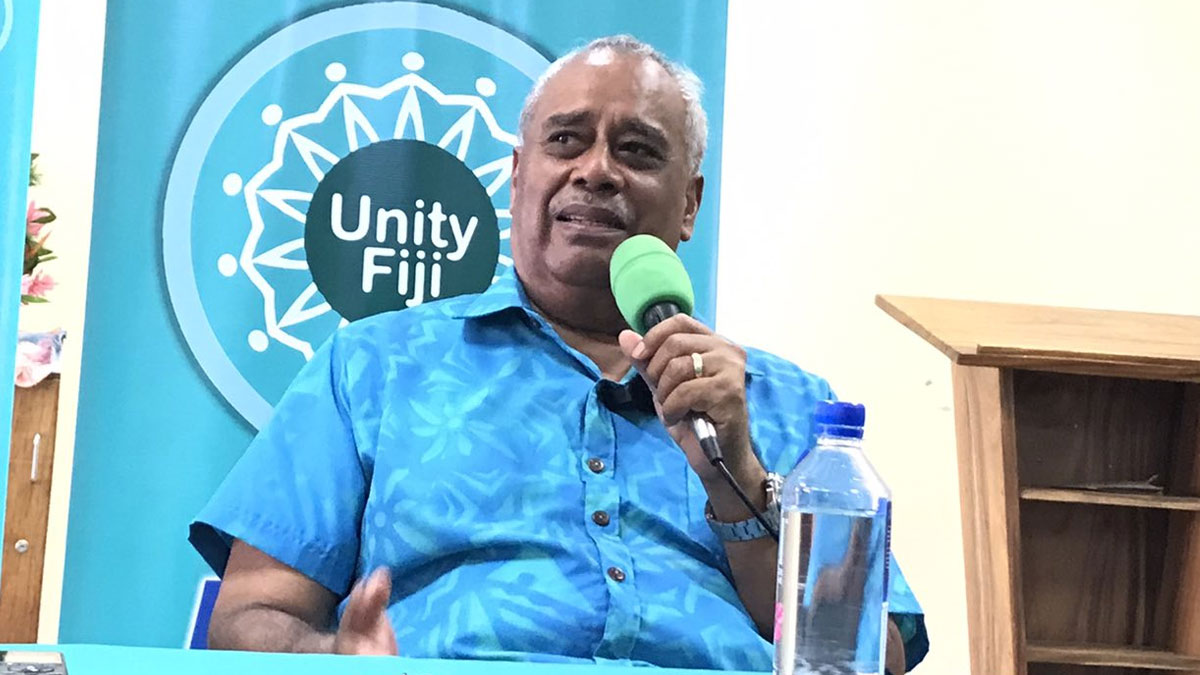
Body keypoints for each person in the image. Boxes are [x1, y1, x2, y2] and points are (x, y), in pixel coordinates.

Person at [190, 35, 928, 673]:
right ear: (517, 178)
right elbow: (249, 617)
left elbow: (873, 660)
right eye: (567, 141)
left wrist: (738, 477)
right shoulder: (374, 366)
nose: (597, 170)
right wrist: (334, 658)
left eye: (637, 151)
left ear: (689, 204)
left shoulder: (791, 406)